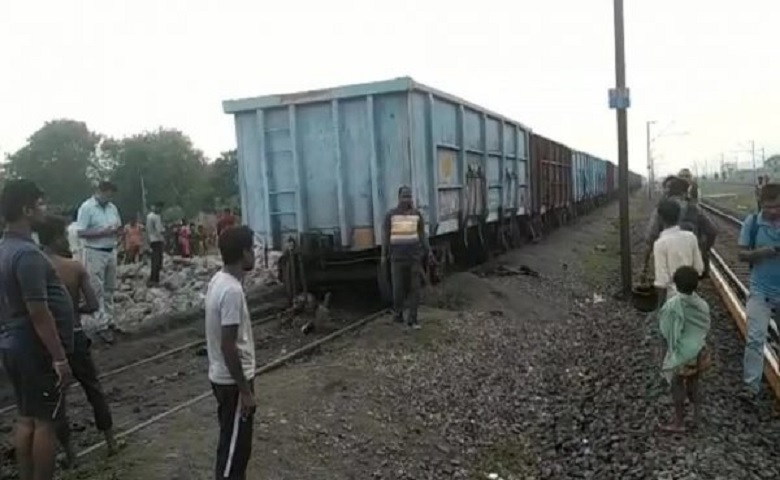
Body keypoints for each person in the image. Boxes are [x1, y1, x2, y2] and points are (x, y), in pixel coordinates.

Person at [0, 180, 74, 480]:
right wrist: (59, 357)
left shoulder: (5, 249)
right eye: (40, 203)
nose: (45, 208)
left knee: (26, 416)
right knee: (45, 421)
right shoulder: (28, 255)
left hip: (13, 341)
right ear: (26, 209)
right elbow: (39, 311)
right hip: (34, 346)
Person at [34, 215, 117, 465]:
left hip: (49, 342)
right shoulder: (74, 267)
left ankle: (70, 454)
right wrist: (71, 311)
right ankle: (111, 442)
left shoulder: (35, 267)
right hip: (77, 336)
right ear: (59, 237)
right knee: (93, 389)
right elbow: (92, 304)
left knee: (58, 400)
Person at [205, 225, 257, 479]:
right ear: (244, 253)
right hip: (233, 383)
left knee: (232, 444)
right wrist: (245, 391)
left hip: (223, 379)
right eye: (252, 248)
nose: (255, 254)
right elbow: (228, 344)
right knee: (235, 456)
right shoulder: (232, 291)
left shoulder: (220, 280)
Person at [738, 183, 780, 404]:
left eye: (778, 206)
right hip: (760, 289)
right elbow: (742, 254)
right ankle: (751, 387)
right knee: (755, 338)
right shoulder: (752, 223)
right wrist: (759, 253)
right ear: (761, 204)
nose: (774, 211)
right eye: (769, 206)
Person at [657, 265, 711, 433]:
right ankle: (697, 418)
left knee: (677, 384)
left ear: (676, 283)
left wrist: (666, 351)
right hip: (698, 350)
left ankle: (679, 422)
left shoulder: (672, 305)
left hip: (682, 353)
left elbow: (666, 330)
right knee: (694, 383)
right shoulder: (702, 304)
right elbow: (705, 325)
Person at [76, 181, 122, 344]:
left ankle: (110, 321)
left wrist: (116, 231)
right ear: (99, 192)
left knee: (110, 288)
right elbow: (81, 231)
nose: (109, 198)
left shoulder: (112, 208)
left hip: (111, 250)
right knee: (97, 289)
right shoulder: (87, 208)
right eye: (107, 194)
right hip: (94, 251)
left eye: (111, 195)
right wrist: (102, 232)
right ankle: (101, 326)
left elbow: (118, 225)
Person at [382, 185, 430, 329]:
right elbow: (385, 237)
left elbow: (422, 235)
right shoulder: (390, 215)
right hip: (397, 258)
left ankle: (413, 319)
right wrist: (383, 255)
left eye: (409, 196)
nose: (406, 199)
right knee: (398, 288)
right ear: (399, 198)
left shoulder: (417, 215)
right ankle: (398, 315)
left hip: (414, 258)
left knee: (414, 289)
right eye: (404, 196)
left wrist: (429, 251)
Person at [652, 199, 705, 307]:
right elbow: (699, 269)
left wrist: (660, 309)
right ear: (679, 216)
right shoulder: (691, 237)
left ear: (660, 218)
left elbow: (662, 281)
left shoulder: (660, 244)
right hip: (691, 297)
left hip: (671, 300)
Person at [146, 202, 165, 287]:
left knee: (155, 260)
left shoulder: (149, 216)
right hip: (157, 240)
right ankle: (154, 279)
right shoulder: (156, 217)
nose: (160, 210)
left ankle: (153, 279)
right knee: (157, 260)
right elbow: (159, 230)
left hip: (152, 240)